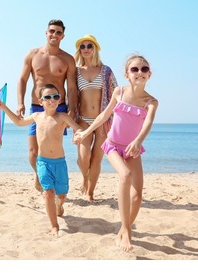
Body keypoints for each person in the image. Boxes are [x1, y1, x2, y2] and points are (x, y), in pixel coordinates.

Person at [74, 54, 159, 252]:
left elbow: (148, 123)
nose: (139, 72)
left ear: (150, 74)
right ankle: (127, 232)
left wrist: (138, 141)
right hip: (113, 145)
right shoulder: (119, 92)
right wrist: (86, 132)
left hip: (133, 149)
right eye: (135, 69)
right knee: (125, 175)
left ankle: (123, 228)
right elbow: (104, 115)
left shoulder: (151, 101)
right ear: (127, 74)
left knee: (137, 196)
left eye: (144, 69)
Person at [0, 84, 81, 237]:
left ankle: (59, 206)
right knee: (48, 192)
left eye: (55, 97)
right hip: (43, 162)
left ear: (59, 100)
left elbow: (78, 129)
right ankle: (54, 225)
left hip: (59, 163)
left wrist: (77, 136)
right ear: (41, 101)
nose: (52, 100)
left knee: (61, 195)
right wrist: (3, 107)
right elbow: (18, 122)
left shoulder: (63, 117)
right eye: (47, 97)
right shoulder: (36, 116)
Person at [16, 19, 78, 194]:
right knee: (33, 150)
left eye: (58, 32)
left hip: (59, 108)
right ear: (46, 32)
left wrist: (72, 108)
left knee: (52, 147)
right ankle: (39, 172)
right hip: (37, 107)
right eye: (52, 31)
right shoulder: (33, 54)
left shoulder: (67, 59)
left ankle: (51, 182)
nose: (54, 35)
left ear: (63, 36)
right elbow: (22, 79)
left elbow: (72, 87)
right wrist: (20, 102)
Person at [73, 34, 118, 202]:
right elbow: (71, 93)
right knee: (83, 158)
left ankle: (90, 192)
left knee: (96, 158)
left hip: (102, 120)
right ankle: (85, 178)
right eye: (82, 46)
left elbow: (116, 93)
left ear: (95, 49)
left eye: (89, 46)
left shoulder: (106, 71)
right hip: (83, 120)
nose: (85, 49)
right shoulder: (76, 71)